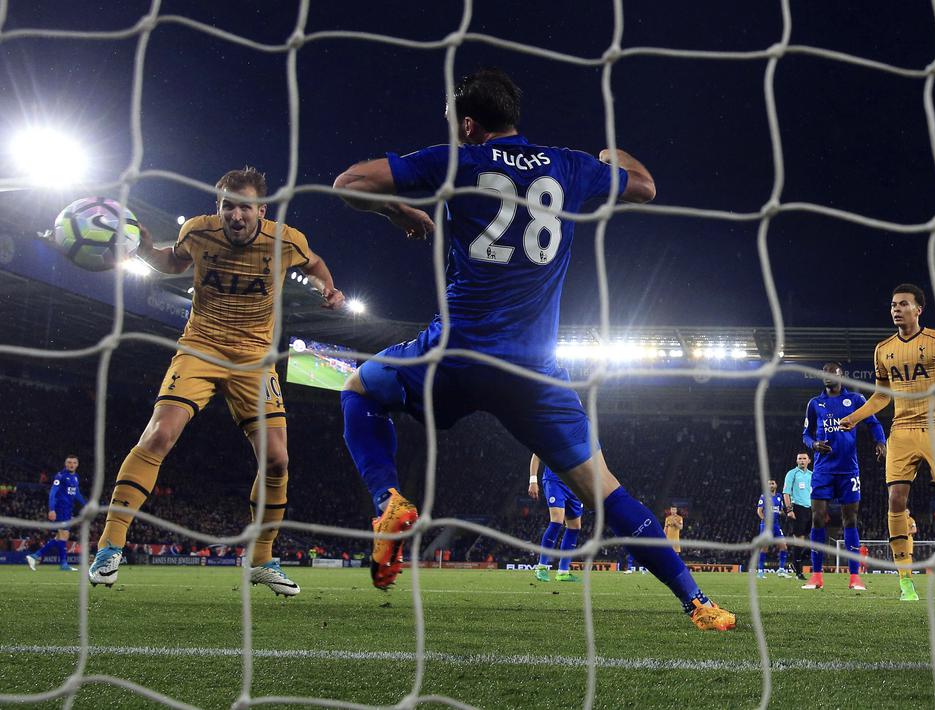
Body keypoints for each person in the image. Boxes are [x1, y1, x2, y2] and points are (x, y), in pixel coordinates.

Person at [331, 68, 734, 630]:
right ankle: (698, 602)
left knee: (357, 390)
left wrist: (399, 211)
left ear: (469, 125)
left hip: (456, 354)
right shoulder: (570, 166)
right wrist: (610, 152)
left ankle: (388, 502)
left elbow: (348, 182)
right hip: (534, 371)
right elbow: (644, 186)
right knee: (605, 492)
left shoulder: (457, 161)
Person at [88, 167, 345, 597]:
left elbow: (315, 263)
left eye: (245, 207)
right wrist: (146, 250)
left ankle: (262, 560)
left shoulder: (286, 240)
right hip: (199, 348)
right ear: (218, 207)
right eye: (228, 206)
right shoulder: (197, 232)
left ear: (261, 210)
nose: (236, 215)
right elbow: (173, 261)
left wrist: (328, 289)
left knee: (278, 460)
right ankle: (110, 546)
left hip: (255, 361)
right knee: (158, 436)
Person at [838, 283, 935, 602]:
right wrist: (856, 417)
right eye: (893, 304)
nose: (896, 309)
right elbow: (881, 395)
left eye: (903, 304)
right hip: (902, 430)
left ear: (919, 309)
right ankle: (905, 582)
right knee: (895, 500)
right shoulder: (883, 349)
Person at [800, 363, 886, 591]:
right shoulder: (814, 404)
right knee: (817, 518)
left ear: (841, 376)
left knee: (851, 519)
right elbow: (806, 434)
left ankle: (855, 577)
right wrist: (814, 444)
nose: (828, 376)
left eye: (832, 373)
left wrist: (880, 442)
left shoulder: (856, 400)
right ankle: (816, 575)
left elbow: (873, 422)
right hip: (822, 471)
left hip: (849, 470)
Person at [27, 455, 86, 571]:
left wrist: (86, 505)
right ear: (65, 463)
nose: (71, 465)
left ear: (77, 464)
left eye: (74, 462)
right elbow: (53, 493)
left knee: (61, 536)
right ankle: (63, 564)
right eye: (69, 462)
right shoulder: (60, 476)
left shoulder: (76, 477)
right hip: (60, 508)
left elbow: (77, 493)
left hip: (68, 509)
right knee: (63, 535)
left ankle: (34, 556)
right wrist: (52, 509)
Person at [528, 453, 582, 582]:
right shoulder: (555, 432)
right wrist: (533, 480)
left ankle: (563, 572)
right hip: (555, 480)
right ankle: (541, 567)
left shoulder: (584, 437)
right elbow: (537, 454)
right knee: (557, 520)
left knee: (575, 527)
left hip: (575, 484)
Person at [782, 451, 812, 579]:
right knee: (799, 540)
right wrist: (789, 510)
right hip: (797, 508)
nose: (802, 461)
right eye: (799, 458)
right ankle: (798, 571)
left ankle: (796, 562)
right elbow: (786, 493)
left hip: (810, 509)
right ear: (796, 461)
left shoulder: (812, 475)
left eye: (804, 458)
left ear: (808, 461)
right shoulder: (792, 474)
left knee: (813, 540)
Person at [755, 479, 790, 579]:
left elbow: (781, 511)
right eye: (769, 484)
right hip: (766, 526)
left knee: (784, 546)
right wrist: (764, 519)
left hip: (776, 525)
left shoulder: (779, 497)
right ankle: (760, 572)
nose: (771, 485)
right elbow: (759, 511)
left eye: (772, 483)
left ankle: (781, 570)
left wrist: (782, 512)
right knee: (765, 547)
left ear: (776, 485)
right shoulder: (764, 496)